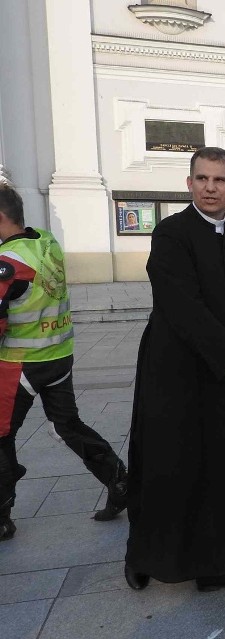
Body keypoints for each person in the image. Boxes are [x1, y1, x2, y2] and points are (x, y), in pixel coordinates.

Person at [124, 147, 225, 592]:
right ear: (189, 183)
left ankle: (221, 565)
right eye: (202, 179)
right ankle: (146, 556)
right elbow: (181, 306)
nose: (210, 187)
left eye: (220, 180)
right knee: (172, 465)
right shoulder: (171, 233)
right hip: (177, 372)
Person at [0, 183, 128, 541]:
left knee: (1, 435)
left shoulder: (8, 263)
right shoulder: (46, 241)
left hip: (19, 363)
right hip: (58, 354)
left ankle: (1, 516)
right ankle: (119, 480)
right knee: (66, 426)